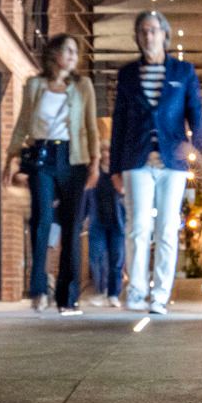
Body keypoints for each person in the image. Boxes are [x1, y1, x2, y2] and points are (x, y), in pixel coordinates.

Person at [110, 7, 202, 314]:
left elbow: (197, 115)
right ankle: (136, 291)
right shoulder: (127, 75)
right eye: (143, 31)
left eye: (154, 30)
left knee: (166, 229)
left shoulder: (183, 72)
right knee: (137, 227)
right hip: (136, 159)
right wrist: (114, 168)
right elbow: (119, 122)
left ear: (165, 35)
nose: (149, 35)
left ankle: (161, 295)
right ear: (138, 38)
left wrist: (198, 150)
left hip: (172, 162)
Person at [7, 31, 99, 312]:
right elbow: (23, 123)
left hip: (74, 159)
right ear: (54, 54)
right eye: (67, 50)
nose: (72, 56)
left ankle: (67, 296)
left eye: (75, 52)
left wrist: (94, 163)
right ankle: (38, 289)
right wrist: (9, 159)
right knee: (41, 220)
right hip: (42, 158)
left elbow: (91, 126)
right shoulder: (34, 85)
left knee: (71, 227)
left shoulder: (83, 86)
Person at [82, 127, 126, 304]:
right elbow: (85, 195)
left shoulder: (120, 174)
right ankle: (102, 290)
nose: (106, 154)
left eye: (109, 151)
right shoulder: (93, 173)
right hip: (97, 222)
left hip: (118, 222)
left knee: (116, 259)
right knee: (97, 257)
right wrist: (82, 218)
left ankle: (113, 294)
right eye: (103, 151)